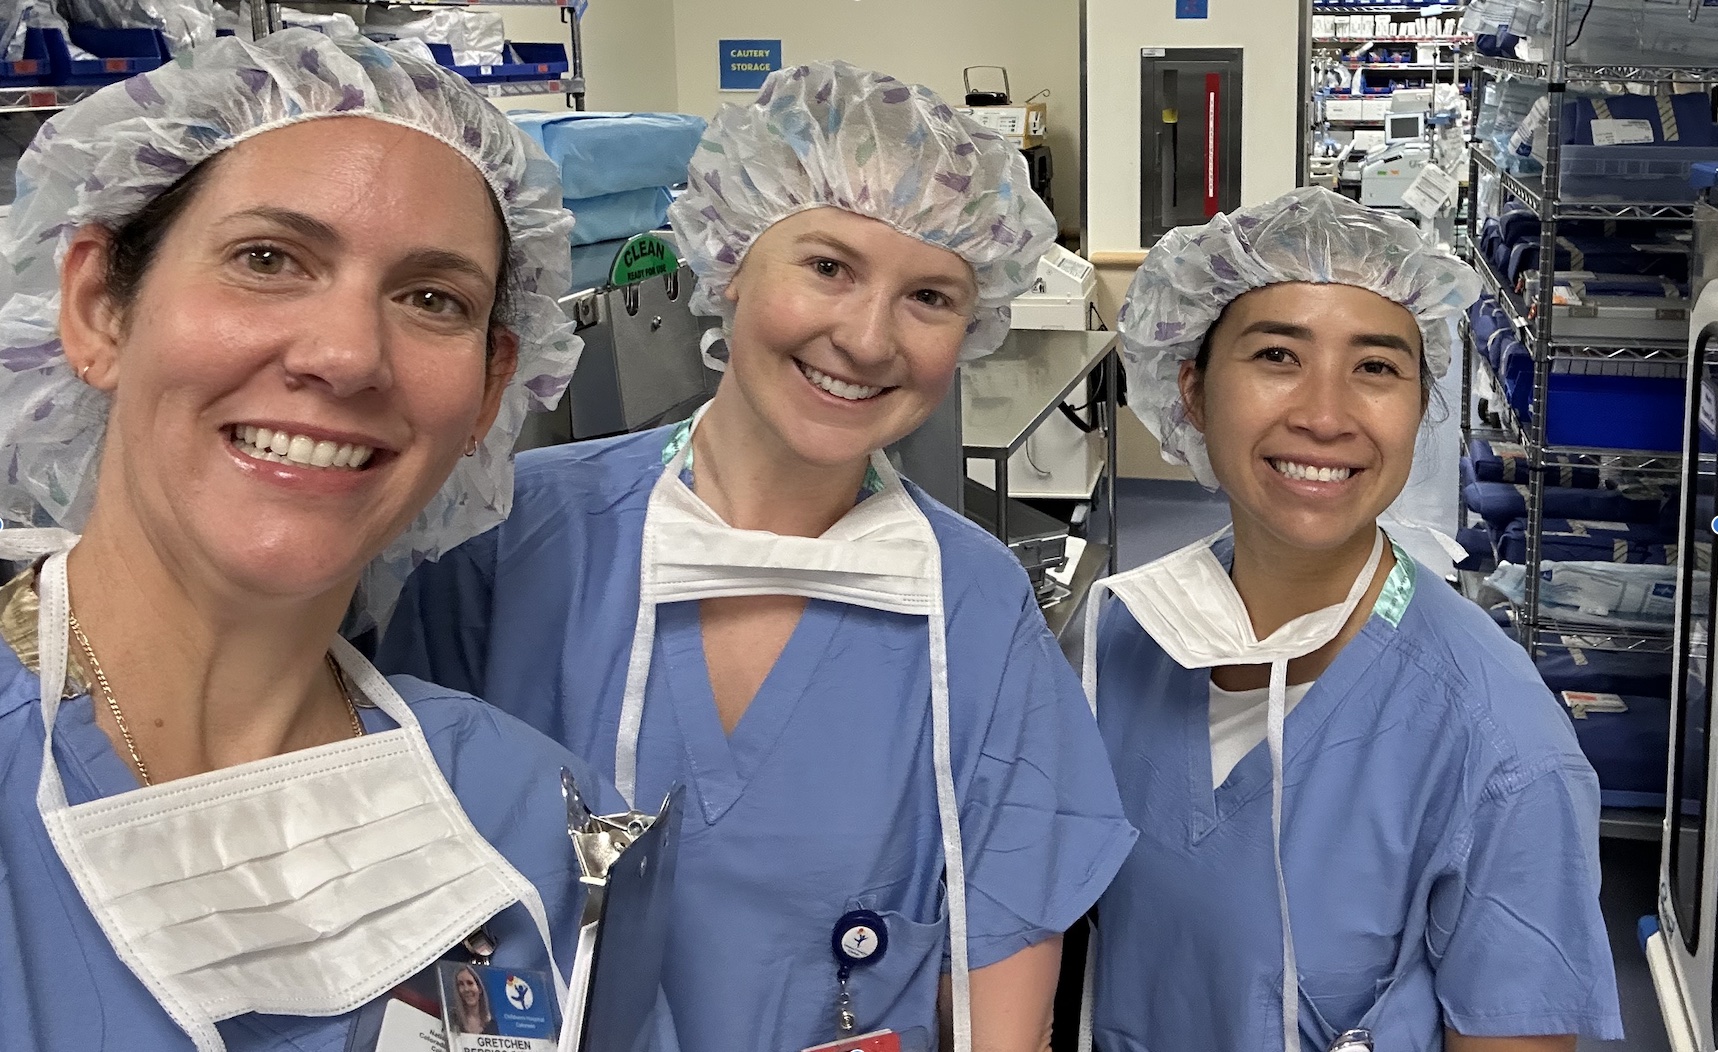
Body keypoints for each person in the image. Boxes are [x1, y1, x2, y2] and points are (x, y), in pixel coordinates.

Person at [379, 60, 1136, 1052]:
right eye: (825, 266)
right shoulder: (517, 545)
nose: (865, 338)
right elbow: (404, 894)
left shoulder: (969, 604)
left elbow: (1004, 951)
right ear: (729, 258)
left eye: (930, 296)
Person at [0, 30, 634, 1052]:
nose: (347, 354)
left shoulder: (541, 823)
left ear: (487, 389)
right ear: (96, 309)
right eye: (267, 258)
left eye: (433, 298)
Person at [1082, 187, 1624, 1052]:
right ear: (1192, 390)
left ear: (1419, 408)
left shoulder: (1501, 747)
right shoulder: (1124, 641)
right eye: (1276, 356)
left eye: (1376, 367)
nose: (1325, 416)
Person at [450, 966, 500, 1036]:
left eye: (470, 983)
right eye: (461, 984)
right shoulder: (451, 1020)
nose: (466, 989)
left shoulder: (491, 1025)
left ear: (479, 988)